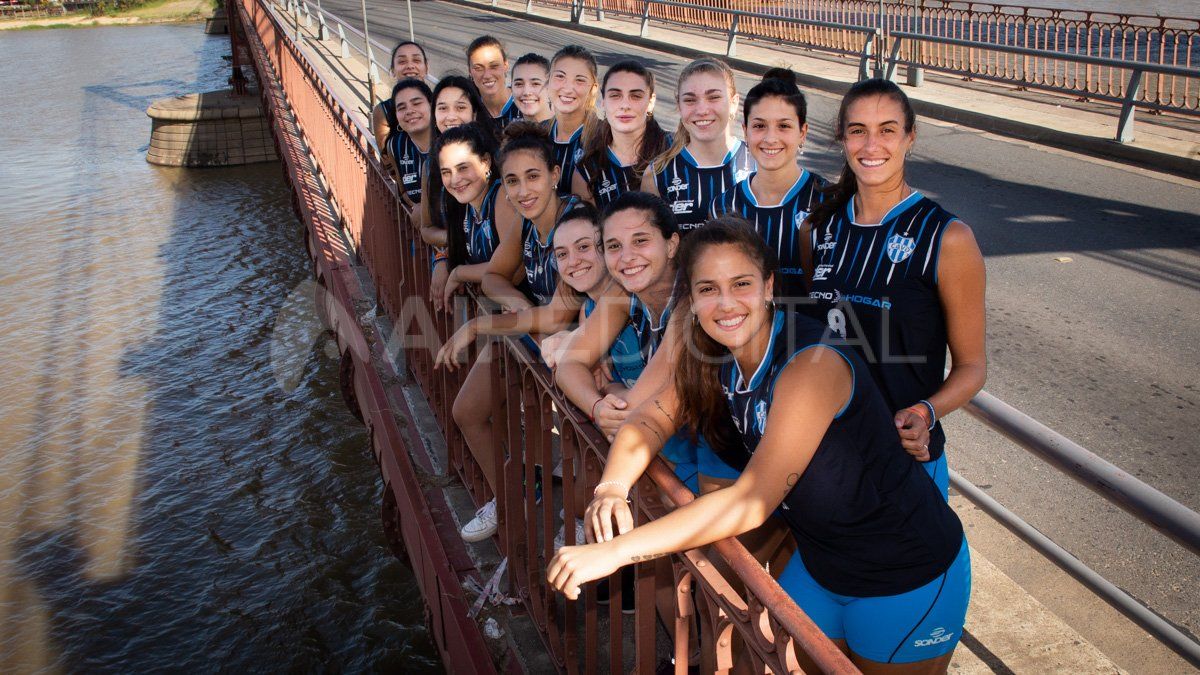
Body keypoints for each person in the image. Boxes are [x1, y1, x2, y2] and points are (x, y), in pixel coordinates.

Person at [549, 218, 970, 674]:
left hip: (906, 572)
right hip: (822, 563)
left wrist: (615, 551)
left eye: (741, 284)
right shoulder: (711, 351)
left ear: (769, 286)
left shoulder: (811, 364)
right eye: (708, 289)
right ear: (690, 300)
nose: (726, 303)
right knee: (749, 661)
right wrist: (612, 488)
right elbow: (651, 418)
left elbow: (751, 501)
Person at [803, 78, 987, 499]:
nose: (872, 145)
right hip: (827, 455)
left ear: (909, 137)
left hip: (904, 462)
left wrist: (926, 412)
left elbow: (972, 367)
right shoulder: (819, 227)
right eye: (858, 131)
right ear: (842, 138)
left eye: (887, 130)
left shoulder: (947, 238)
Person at [454, 121, 583, 542]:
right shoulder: (526, 222)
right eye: (512, 181)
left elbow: (560, 316)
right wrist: (520, 304)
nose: (523, 190)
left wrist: (480, 324)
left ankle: (579, 525)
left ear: (554, 175)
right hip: (537, 337)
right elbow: (493, 276)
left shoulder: (576, 222)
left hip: (590, 346)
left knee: (581, 441)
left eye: (532, 177)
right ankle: (516, 495)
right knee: (467, 411)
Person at [554, 191, 698, 491]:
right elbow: (569, 364)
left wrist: (610, 392)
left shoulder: (691, 299)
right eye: (614, 246)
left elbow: (634, 409)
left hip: (718, 454)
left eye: (640, 241)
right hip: (669, 442)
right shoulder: (622, 293)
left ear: (671, 244)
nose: (627, 257)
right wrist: (597, 406)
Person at [710, 68, 825, 301]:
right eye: (759, 126)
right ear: (745, 131)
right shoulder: (722, 206)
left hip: (812, 325)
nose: (770, 138)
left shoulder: (828, 201)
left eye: (784, 126)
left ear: (802, 132)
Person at [641, 58, 753, 233]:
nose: (702, 110)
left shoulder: (758, 163)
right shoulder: (657, 174)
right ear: (679, 106)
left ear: (734, 103)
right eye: (690, 100)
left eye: (714, 97)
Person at [421, 76, 496, 307]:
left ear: (475, 113)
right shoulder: (431, 166)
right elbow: (427, 228)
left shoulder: (495, 165)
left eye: (460, 107)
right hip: (473, 282)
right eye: (443, 108)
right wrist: (446, 254)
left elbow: (511, 262)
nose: (451, 116)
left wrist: (455, 264)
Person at [573, 60, 671, 209]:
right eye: (615, 95)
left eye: (636, 96)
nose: (625, 105)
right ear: (603, 102)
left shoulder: (674, 151)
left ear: (651, 102)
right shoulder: (587, 169)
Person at [544, 45, 599, 196]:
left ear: (593, 88)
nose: (568, 89)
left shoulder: (604, 137)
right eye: (560, 76)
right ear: (548, 80)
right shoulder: (537, 134)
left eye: (579, 80)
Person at [372, 40, 429, 151]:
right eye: (402, 62)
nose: (410, 66)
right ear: (393, 70)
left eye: (416, 60)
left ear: (426, 68)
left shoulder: (441, 105)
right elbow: (386, 155)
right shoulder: (383, 111)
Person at [386, 78, 434, 206]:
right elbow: (403, 192)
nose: (409, 111)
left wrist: (425, 212)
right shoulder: (395, 146)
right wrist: (417, 208)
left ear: (432, 105)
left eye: (416, 103)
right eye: (401, 108)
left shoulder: (451, 140)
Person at [467, 35, 522, 132]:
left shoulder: (525, 103)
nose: (487, 75)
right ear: (470, 72)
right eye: (478, 68)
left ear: (505, 65)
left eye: (494, 66)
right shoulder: (469, 114)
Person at [511, 53, 554, 124]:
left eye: (535, 84)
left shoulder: (566, 128)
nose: (526, 92)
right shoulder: (510, 129)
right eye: (519, 84)